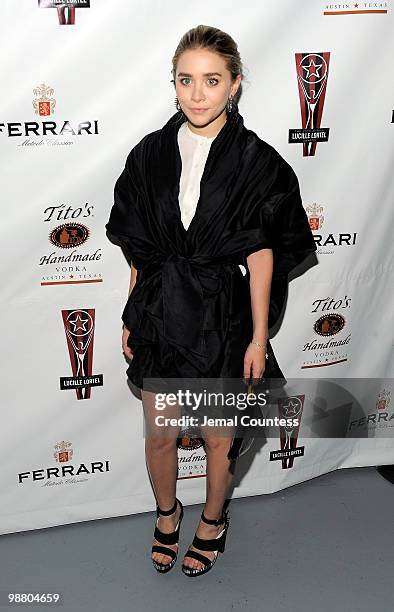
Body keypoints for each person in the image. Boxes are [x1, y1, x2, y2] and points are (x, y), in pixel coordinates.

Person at [105, 25, 317, 577]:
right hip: (164, 307)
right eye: (186, 80)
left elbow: (264, 256)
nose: (197, 94)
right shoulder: (150, 154)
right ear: (174, 84)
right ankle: (168, 513)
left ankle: (214, 521)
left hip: (223, 315)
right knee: (161, 435)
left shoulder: (257, 162)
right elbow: (141, 247)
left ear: (234, 85)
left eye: (211, 80)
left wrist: (256, 336)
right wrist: (134, 313)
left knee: (221, 438)